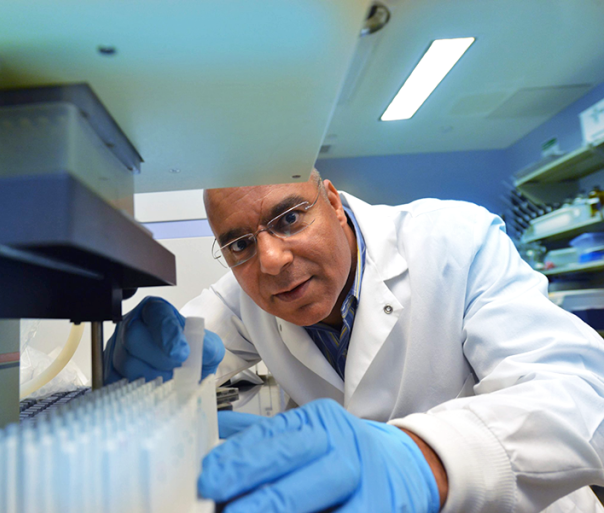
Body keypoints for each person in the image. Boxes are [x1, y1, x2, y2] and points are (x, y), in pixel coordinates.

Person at [104, 170, 604, 513]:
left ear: (335, 203)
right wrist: (131, 362)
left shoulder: (455, 241)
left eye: (290, 218)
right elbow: (174, 344)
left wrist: (425, 459)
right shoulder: (244, 291)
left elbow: (580, 394)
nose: (271, 259)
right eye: (238, 244)